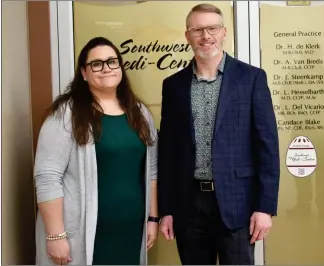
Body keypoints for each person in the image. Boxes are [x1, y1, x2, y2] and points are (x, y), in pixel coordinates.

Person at [157, 3, 280, 265]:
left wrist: (265, 207)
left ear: (224, 32)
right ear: (187, 35)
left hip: (238, 204)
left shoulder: (251, 79)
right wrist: (165, 210)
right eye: (198, 29)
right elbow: (168, 153)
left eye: (212, 28)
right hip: (188, 205)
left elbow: (267, 147)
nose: (206, 36)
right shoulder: (173, 86)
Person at [34, 37, 159, 265]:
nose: (106, 68)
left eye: (112, 61)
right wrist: (55, 235)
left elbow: (151, 170)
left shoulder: (139, 113)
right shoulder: (66, 115)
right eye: (97, 64)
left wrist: (152, 217)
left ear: (120, 67)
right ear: (84, 72)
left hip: (131, 231)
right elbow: (47, 177)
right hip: (81, 233)